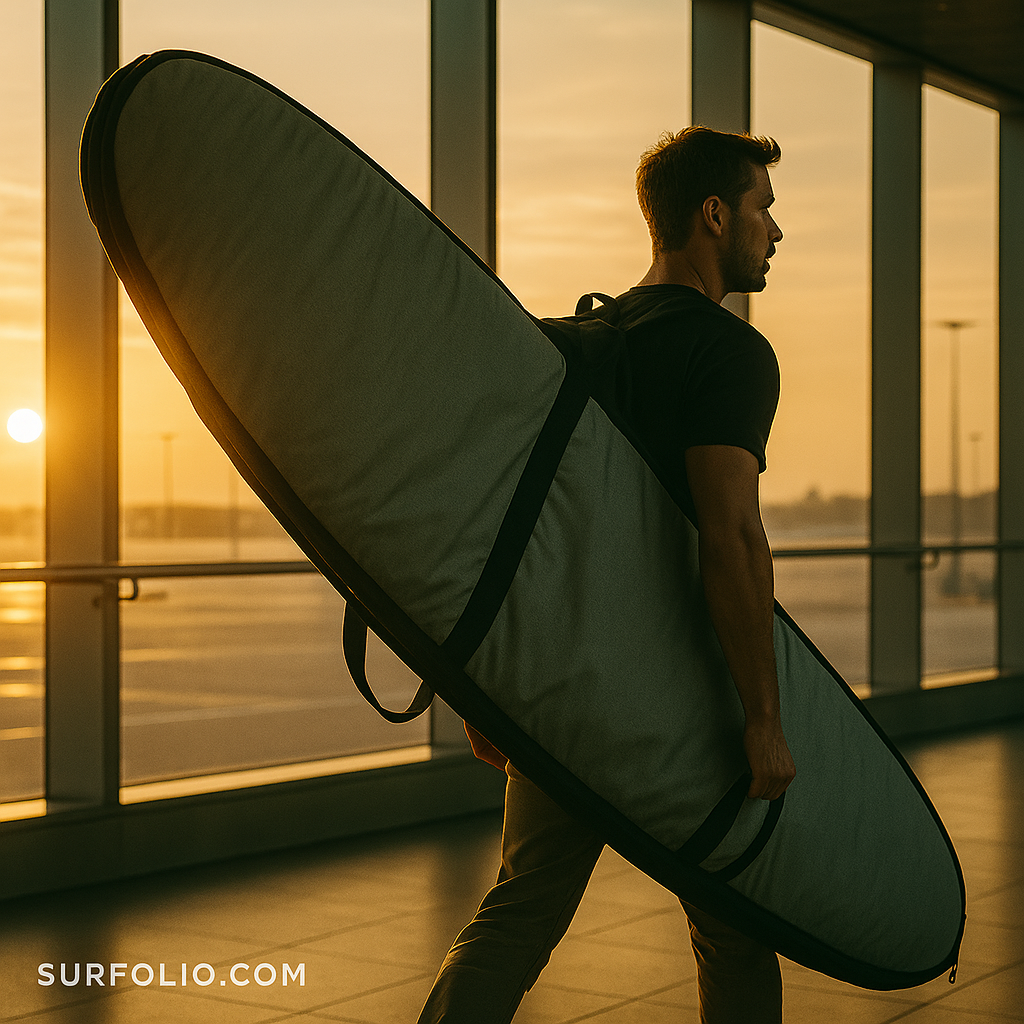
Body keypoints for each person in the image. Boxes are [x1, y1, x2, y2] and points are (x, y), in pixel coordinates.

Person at [416, 126, 795, 1024]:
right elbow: (731, 536)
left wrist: (488, 691)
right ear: (714, 215)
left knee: (519, 911)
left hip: (561, 692)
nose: (774, 232)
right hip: (676, 700)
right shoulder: (731, 353)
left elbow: (498, 532)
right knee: (735, 926)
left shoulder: (582, 342)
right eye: (762, 209)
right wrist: (765, 720)